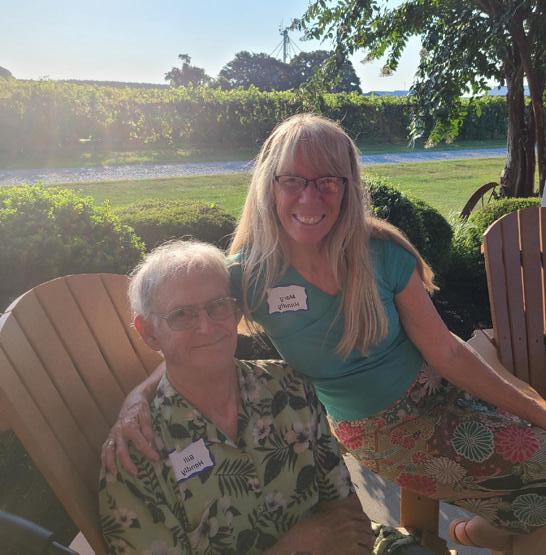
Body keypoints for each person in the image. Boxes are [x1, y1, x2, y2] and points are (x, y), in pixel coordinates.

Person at [103, 114, 546, 551]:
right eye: (293, 180)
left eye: (328, 181)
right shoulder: (251, 277)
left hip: (444, 395)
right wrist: (138, 396)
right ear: (269, 185)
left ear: (348, 187)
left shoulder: (381, 253)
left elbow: (446, 352)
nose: (310, 198)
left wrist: (534, 408)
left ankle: (483, 533)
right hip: (381, 430)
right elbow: (198, 334)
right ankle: (488, 532)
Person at [99, 240, 374, 555]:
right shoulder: (135, 458)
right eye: (182, 315)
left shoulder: (290, 389)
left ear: (236, 311)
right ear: (149, 333)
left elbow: (347, 513)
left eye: (218, 305)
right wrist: (297, 544)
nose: (207, 327)